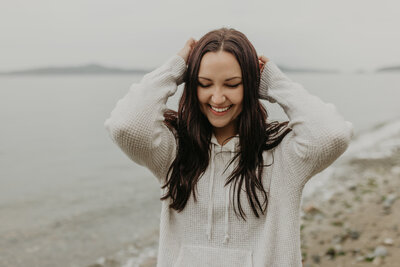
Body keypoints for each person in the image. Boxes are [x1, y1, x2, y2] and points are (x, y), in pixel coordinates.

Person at [104, 27, 354, 267]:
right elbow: (125, 126)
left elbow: (332, 135)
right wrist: (176, 67)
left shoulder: (281, 155)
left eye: (232, 84)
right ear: (191, 85)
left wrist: (275, 82)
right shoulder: (173, 151)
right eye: (205, 83)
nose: (217, 98)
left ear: (251, 86)